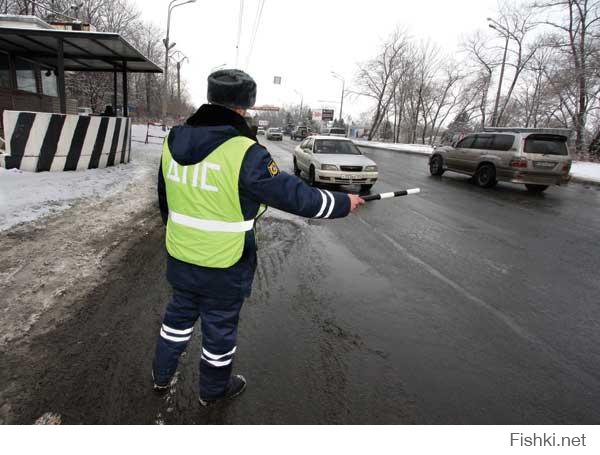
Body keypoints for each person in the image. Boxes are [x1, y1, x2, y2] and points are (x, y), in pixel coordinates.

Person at [152, 69, 364, 406]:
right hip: (225, 262)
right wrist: (342, 202)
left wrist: (179, 235)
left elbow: (164, 199)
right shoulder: (244, 152)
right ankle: (213, 391)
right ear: (244, 108)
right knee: (219, 333)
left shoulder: (172, 140)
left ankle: (161, 377)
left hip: (181, 255)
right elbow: (297, 197)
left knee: (176, 320)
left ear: (211, 98)